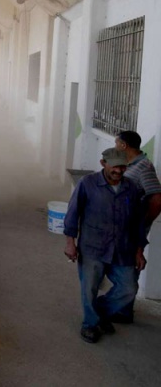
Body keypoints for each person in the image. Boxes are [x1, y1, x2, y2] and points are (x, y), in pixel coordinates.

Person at [63, 147, 146, 343]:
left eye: (123, 167)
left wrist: (139, 250)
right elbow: (73, 214)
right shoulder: (87, 184)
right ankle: (90, 325)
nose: (119, 171)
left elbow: (138, 223)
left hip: (123, 248)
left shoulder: (132, 188)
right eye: (115, 167)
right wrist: (70, 243)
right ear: (103, 164)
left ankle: (98, 312)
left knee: (128, 289)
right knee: (89, 287)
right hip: (93, 247)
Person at [111, 130, 161, 323]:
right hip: (122, 226)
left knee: (130, 267)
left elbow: (157, 199)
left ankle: (124, 312)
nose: (115, 146)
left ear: (124, 145)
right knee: (120, 265)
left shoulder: (144, 167)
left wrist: (145, 222)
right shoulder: (129, 165)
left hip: (133, 229)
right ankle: (119, 306)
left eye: (117, 143)